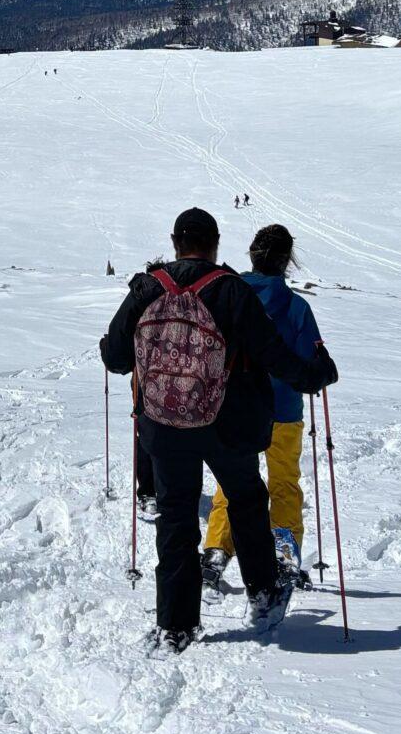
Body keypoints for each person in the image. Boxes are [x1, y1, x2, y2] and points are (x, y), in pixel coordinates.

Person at [100, 207, 337, 651]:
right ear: (215, 243)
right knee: (247, 500)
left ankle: (176, 625)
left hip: (163, 424)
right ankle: (263, 596)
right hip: (226, 424)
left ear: (174, 242)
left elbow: (115, 358)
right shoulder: (230, 290)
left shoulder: (148, 287)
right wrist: (315, 375)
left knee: (175, 518)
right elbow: (273, 355)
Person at [204, 224, 323, 588]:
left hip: (233, 407)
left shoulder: (228, 295)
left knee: (231, 481)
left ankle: (216, 551)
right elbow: (309, 362)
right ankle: (285, 557)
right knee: (284, 481)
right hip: (284, 410)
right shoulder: (297, 308)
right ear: (287, 261)